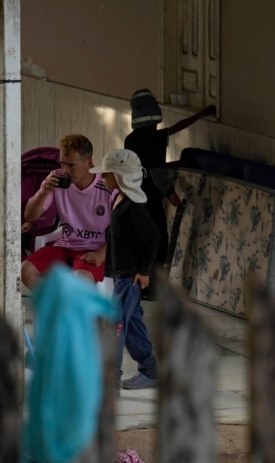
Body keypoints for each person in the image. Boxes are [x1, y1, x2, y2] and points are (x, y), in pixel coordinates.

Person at [123, 89, 215, 295]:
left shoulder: (130, 140)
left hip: (133, 197)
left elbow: (143, 165)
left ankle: (139, 285)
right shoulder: (155, 138)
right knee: (158, 240)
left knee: (142, 239)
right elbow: (156, 170)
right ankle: (151, 287)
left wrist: (176, 164)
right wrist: (170, 193)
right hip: (150, 198)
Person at [89, 148, 160, 391]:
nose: (103, 179)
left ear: (120, 177)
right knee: (132, 324)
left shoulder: (134, 207)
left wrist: (144, 271)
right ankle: (150, 370)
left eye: (107, 175)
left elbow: (152, 238)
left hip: (129, 277)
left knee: (115, 324)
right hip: (120, 274)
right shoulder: (119, 198)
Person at [22, 134, 112, 290]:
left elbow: (125, 231)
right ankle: (55, 307)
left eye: (71, 165)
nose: (66, 170)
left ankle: (66, 309)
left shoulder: (106, 184)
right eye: (62, 164)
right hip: (65, 246)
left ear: (89, 162)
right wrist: (44, 192)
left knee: (80, 281)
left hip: (94, 250)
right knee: (25, 270)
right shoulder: (56, 177)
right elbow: (29, 216)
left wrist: (102, 254)